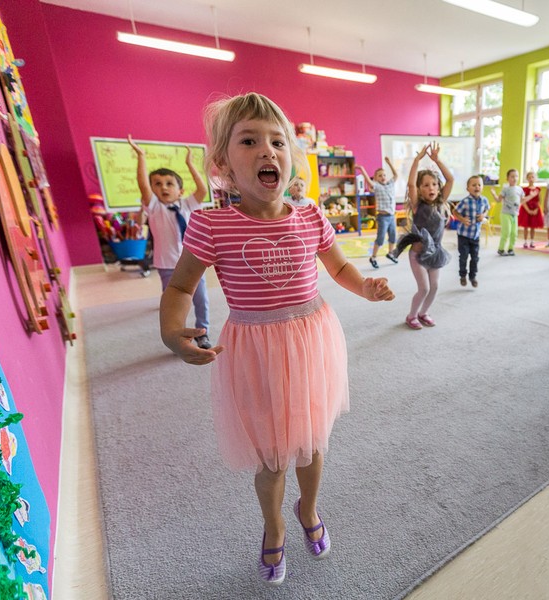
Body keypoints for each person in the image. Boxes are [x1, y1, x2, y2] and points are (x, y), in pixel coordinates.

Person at [158, 92, 394, 587]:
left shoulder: (309, 216)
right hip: (255, 351)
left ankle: (308, 509)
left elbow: (339, 266)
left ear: (292, 157)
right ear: (223, 163)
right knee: (269, 453)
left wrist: (366, 287)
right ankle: (274, 524)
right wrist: (173, 332)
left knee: (308, 443)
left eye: (277, 142)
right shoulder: (211, 222)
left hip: (311, 340)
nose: (267, 151)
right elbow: (181, 285)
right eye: (250, 141)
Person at [128, 135, 212, 350]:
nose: (163, 188)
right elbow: (142, 185)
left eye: (169, 184)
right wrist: (141, 156)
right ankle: (178, 334)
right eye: (157, 184)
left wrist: (190, 164)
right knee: (173, 303)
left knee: (201, 299)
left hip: (192, 263)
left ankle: (203, 331)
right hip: (167, 264)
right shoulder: (155, 207)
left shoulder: (187, 205)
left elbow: (203, 189)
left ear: (180, 190)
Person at [390, 143, 454, 329]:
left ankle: (424, 312)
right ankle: (411, 316)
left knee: (434, 287)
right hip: (418, 254)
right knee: (424, 288)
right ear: (419, 189)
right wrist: (417, 161)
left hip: (436, 253)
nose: (431, 188)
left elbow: (450, 180)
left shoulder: (441, 201)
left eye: (434, 184)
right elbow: (410, 183)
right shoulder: (417, 204)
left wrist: (437, 160)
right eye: (425, 185)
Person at [358, 157, 400, 269]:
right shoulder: (376, 186)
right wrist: (362, 169)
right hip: (382, 217)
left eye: (384, 175)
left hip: (391, 216)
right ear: (376, 179)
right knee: (380, 238)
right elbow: (368, 180)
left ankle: (390, 253)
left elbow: (396, 175)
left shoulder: (390, 184)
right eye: (380, 175)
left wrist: (390, 162)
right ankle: (373, 257)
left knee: (393, 236)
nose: (383, 177)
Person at [453, 175, 491, 288]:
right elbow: (455, 212)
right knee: (463, 256)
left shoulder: (484, 200)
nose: (477, 187)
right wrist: (462, 219)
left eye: (479, 185)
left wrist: (483, 215)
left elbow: (487, 209)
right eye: (474, 185)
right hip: (463, 235)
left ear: (482, 187)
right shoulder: (465, 201)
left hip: (475, 235)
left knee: (475, 257)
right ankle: (463, 275)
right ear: (468, 188)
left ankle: (473, 276)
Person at [490, 168, 524, 256]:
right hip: (505, 213)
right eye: (512, 176)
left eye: (516, 176)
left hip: (515, 214)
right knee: (506, 232)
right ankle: (501, 249)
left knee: (514, 233)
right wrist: (493, 193)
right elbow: (498, 200)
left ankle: (510, 249)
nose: (515, 178)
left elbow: (522, 200)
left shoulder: (520, 189)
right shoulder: (505, 189)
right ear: (507, 178)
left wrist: (531, 196)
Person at [518, 170, 543, 248]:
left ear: (535, 178)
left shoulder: (538, 189)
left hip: (535, 209)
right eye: (529, 177)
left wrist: (536, 209)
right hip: (526, 209)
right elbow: (523, 201)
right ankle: (525, 242)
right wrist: (528, 210)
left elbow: (539, 200)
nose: (531, 179)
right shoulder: (524, 189)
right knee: (526, 227)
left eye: (533, 177)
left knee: (533, 226)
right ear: (527, 179)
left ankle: (532, 241)